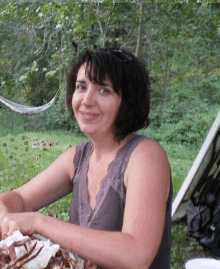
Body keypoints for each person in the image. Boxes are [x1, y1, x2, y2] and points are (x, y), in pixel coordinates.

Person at [0, 48, 172, 269]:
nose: (86, 100)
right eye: (81, 87)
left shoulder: (145, 155)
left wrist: (38, 222)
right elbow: (19, 199)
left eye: (104, 90)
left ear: (127, 100)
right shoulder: (78, 156)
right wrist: (4, 210)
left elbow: (136, 254)